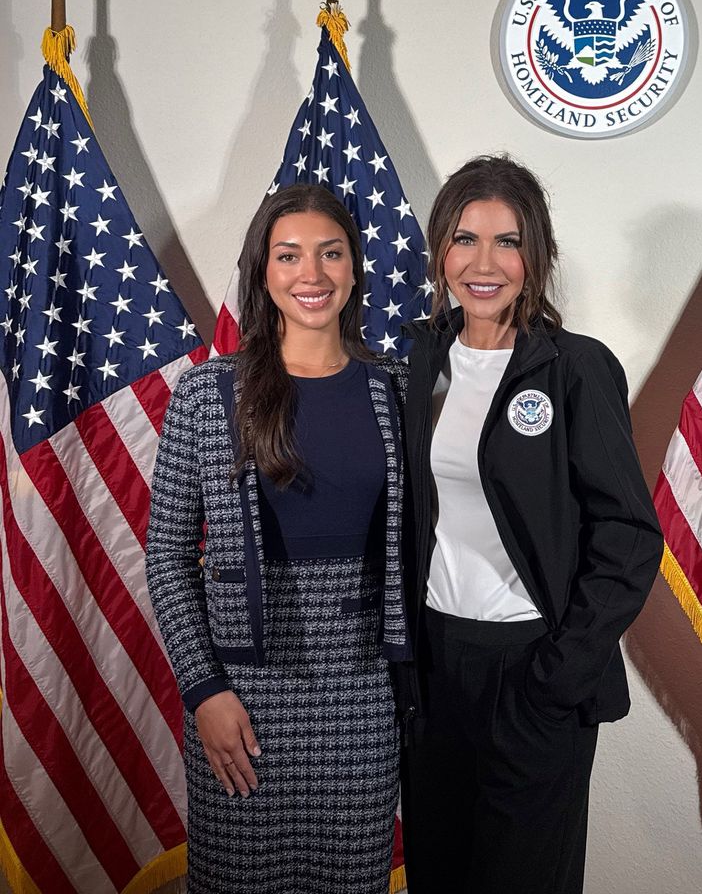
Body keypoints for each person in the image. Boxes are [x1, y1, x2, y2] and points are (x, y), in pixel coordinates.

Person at [399, 155, 664, 894]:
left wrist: (555, 674)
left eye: (507, 242)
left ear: (536, 256)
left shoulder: (574, 368)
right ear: (438, 252)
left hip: (532, 668)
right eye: (464, 239)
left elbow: (628, 536)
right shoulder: (416, 359)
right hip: (433, 667)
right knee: (440, 874)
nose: (483, 264)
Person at [146, 184, 411, 894]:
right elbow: (168, 557)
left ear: (355, 267)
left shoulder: (396, 390)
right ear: (262, 272)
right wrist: (205, 692)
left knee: (351, 882)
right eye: (288, 255)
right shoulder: (208, 394)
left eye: (331, 254)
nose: (312, 274)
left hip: (361, 698)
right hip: (241, 698)